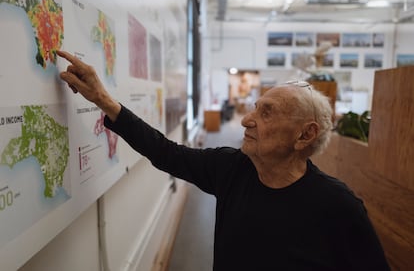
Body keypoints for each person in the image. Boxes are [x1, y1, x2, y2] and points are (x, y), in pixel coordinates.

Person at [57, 50, 390, 271]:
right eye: (256, 107)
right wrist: (103, 100)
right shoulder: (231, 169)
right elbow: (164, 151)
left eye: (267, 113)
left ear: (304, 136)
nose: (247, 119)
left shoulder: (339, 207)